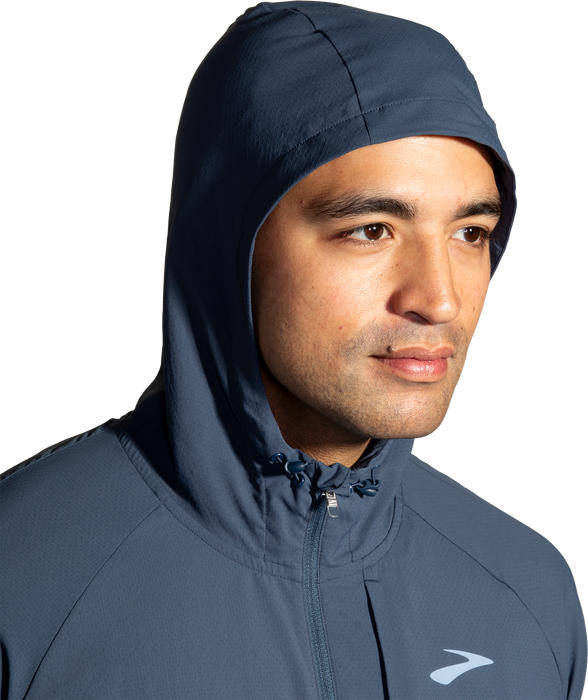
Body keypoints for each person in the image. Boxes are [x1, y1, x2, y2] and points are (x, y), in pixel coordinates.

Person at [1, 2, 586, 698]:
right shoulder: (20, 576)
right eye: (371, 229)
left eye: (470, 233)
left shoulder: (527, 590)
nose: (440, 301)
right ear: (232, 244)